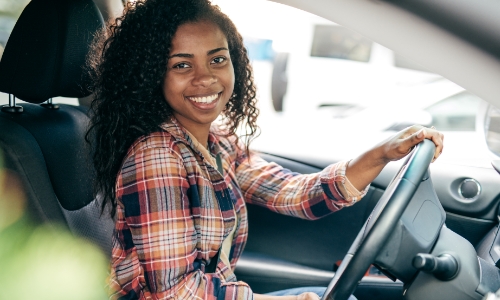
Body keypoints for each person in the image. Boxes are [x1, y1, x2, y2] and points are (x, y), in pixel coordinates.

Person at [85, 0, 444, 299]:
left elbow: (296, 194)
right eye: (182, 65)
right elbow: (177, 293)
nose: (205, 77)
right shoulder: (157, 156)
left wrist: (381, 153)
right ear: (150, 75)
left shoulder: (217, 142)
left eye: (217, 59)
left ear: (235, 62)